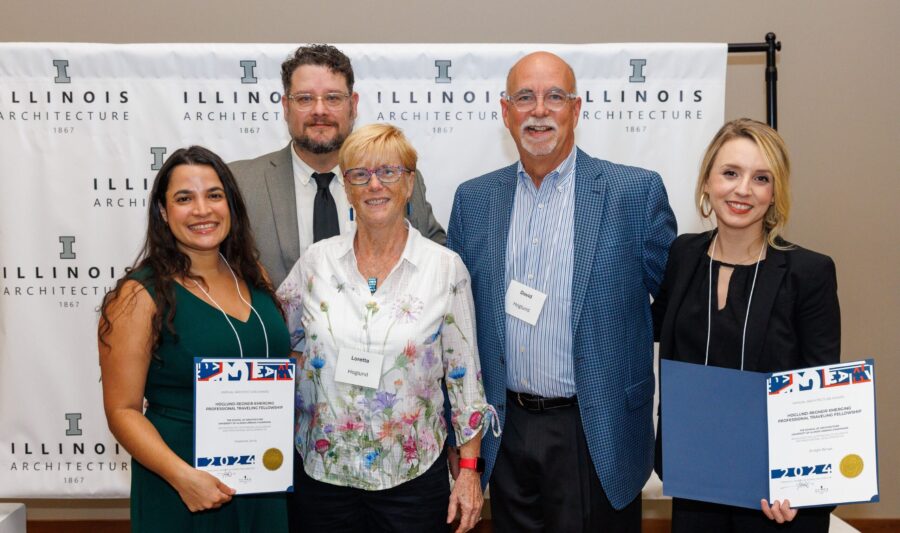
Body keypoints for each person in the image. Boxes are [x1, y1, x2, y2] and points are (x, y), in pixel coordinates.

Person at [447, 51, 676, 532]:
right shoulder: (473, 200)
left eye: (555, 97)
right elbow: (457, 323)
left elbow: (676, 308)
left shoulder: (633, 193)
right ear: (505, 111)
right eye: (525, 97)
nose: (539, 110)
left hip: (595, 425)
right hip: (505, 427)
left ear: (577, 108)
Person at [277, 123, 496, 533]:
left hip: (411, 479)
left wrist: (469, 471)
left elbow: (466, 381)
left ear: (409, 183)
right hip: (323, 476)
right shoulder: (315, 263)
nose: (374, 184)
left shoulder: (445, 269)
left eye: (389, 172)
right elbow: (275, 345)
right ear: (347, 186)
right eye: (360, 174)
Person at [652, 118, 840, 532]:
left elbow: (819, 388)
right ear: (706, 182)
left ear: (774, 194)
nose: (742, 190)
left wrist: (801, 484)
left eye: (761, 178)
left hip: (778, 495)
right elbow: (647, 326)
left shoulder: (808, 272)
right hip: (697, 479)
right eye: (730, 173)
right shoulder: (683, 255)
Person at [98, 146, 291, 532]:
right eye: (185, 198)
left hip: (263, 480)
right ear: (164, 213)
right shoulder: (138, 296)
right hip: (182, 486)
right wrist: (183, 477)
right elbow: (123, 410)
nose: (202, 210)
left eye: (214, 195)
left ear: (232, 206)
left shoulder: (256, 278)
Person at [229, 44, 445, 289]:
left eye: (333, 98)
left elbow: (435, 261)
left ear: (353, 106)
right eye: (305, 99)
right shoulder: (240, 184)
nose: (319, 110)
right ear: (286, 107)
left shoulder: (397, 180)